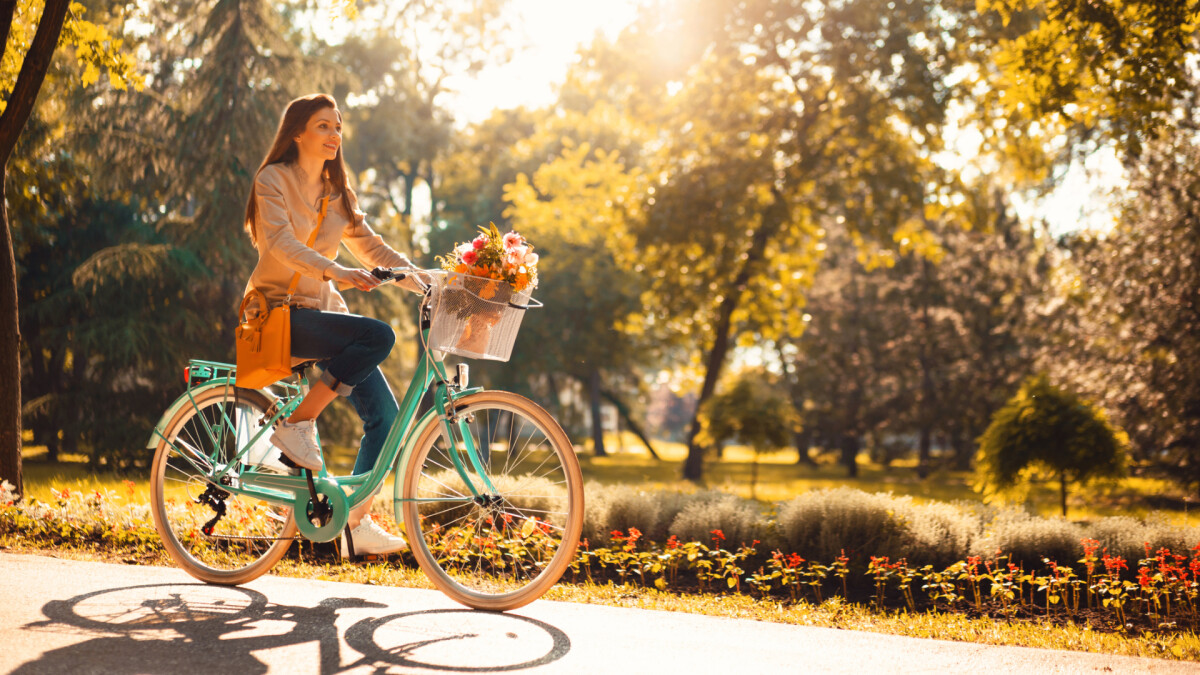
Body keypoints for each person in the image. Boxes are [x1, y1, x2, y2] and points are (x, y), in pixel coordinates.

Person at [242, 93, 417, 555]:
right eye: (323, 125)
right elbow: (280, 244)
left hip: (323, 315)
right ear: (297, 132)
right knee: (378, 335)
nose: (334, 134)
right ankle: (299, 422)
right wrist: (337, 271)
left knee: (387, 418)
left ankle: (355, 521)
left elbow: (374, 250)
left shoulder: (338, 194)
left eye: (338, 127)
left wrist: (428, 281)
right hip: (280, 314)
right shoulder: (273, 179)